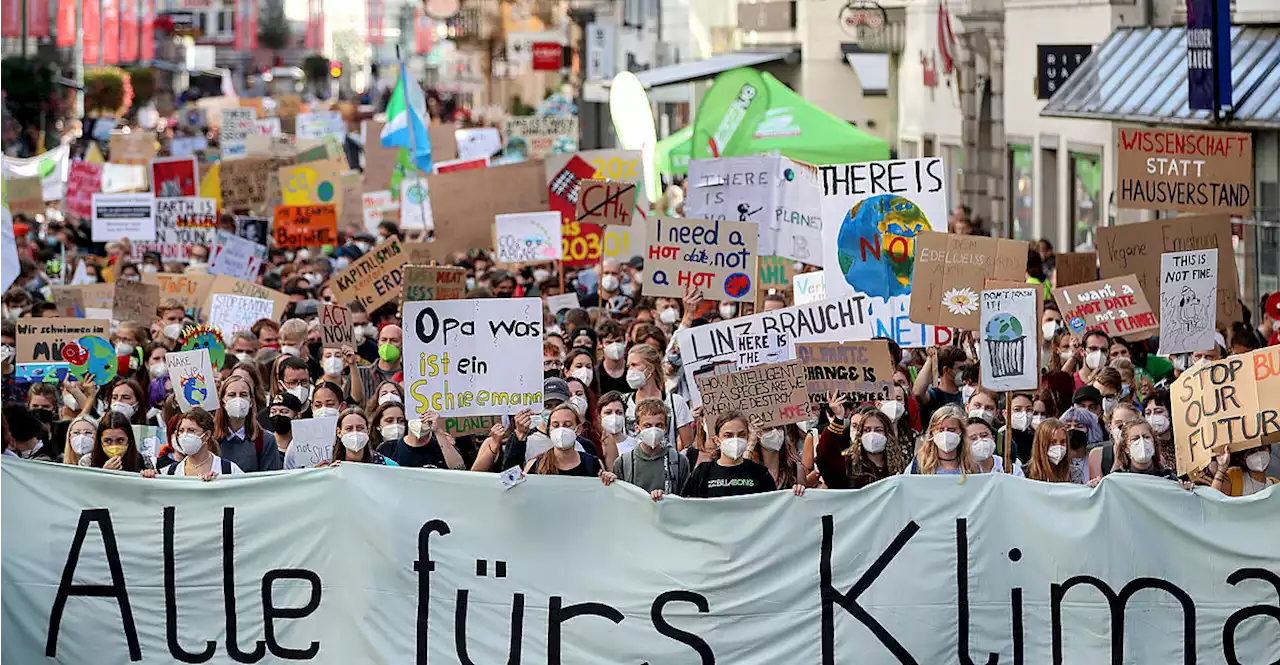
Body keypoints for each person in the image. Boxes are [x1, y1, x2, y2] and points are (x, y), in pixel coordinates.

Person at [680, 411, 796, 498]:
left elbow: (775, 508)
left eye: (741, 435)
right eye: (728, 435)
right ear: (717, 440)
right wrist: (662, 498)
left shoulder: (760, 473)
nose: (735, 439)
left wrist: (797, 493)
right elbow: (685, 506)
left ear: (747, 437)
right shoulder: (702, 472)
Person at [614, 398, 691, 499]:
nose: (653, 430)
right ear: (637, 428)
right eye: (647, 425)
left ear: (665, 428)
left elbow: (686, 501)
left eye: (659, 425)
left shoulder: (679, 461)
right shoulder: (624, 463)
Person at [818, 398, 904, 488]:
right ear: (860, 435)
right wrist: (838, 419)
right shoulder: (848, 466)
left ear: (887, 434)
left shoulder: (898, 465)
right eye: (867, 430)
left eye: (878, 430)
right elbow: (824, 459)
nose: (872, 434)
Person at [623, 344, 694, 447]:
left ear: (650, 369)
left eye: (634, 365)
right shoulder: (624, 402)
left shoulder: (675, 402)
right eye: (628, 366)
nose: (630, 371)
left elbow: (688, 446)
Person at [147, 408, 242, 479]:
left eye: (191, 430)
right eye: (181, 430)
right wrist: (149, 477)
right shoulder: (169, 472)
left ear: (207, 435)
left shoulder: (229, 470)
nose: (185, 435)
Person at [523, 403, 610, 479]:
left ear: (578, 429)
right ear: (549, 430)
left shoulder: (593, 464)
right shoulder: (535, 465)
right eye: (556, 425)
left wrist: (608, 479)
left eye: (567, 425)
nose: (561, 429)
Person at [214, 375, 280, 472]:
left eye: (243, 395)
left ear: (251, 402)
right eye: (231, 395)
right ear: (223, 402)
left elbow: (271, 481)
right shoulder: (210, 439)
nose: (238, 400)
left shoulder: (265, 440)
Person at [904, 404, 977, 476]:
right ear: (932, 432)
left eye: (951, 430)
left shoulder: (971, 465)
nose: (945, 433)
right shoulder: (919, 464)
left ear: (961, 432)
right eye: (940, 430)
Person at [1099, 418, 1177, 482]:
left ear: (1154, 443)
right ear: (1126, 448)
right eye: (1135, 439)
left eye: (1146, 437)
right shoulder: (1118, 480)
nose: (1142, 442)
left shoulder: (1168, 478)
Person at [385, 411, 465, 469]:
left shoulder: (443, 446)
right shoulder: (388, 448)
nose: (422, 419)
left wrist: (438, 432)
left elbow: (459, 469)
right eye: (418, 414)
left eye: (427, 415)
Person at [911, 346, 966, 427]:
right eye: (961, 368)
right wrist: (931, 358)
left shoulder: (965, 395)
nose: (964, 372)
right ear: (946, 370)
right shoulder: (934, 394)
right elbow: (917, 392)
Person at [1087, 401, 1141, 479]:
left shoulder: (1145, 451)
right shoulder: (1097, 454)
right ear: (1110, 428)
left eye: (1130, 424)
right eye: (1119, 424)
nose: (1124, 428)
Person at [332, 408, 397, 465]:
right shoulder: (329, 463)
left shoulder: (387, 464)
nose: (355, 432)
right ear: (339, 432)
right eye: (349, 428)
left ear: (368, 430)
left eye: (360, 428)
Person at [1211, 445, 1279, 496]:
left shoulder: (1275, 484)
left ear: (1269, 450)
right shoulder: (1235, 476)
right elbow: (1213, 499)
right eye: (1251, 452)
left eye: (1261, 449)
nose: (1258, 455)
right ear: (1243, 459)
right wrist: (1221, 469)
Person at [1060, 405, 1103, 484]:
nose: (1072, 429)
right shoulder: (1058, 457)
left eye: (1079, 426)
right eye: (1067, 426)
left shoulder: (1097, 458)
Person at [1026, 417, 1072, 483]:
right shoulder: (1025, 473)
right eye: (1053, 442)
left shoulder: (1074, 473)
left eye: (1062, 442)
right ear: (1041, 444)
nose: (1059, 446)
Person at [597, 391, 633, 469]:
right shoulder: (595, 445)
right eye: (608, 412)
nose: (614, 416)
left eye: (619, 412)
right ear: (599, 417)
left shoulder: (635, 445)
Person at [595, 320, 630, 395]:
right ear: (600, 344)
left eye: (618, 341)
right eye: (609, 342)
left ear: (625, 341)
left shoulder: (633, 369)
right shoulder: (595, 374)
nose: (615, 346)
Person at [266, 392, 303, 461]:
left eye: (284, 412)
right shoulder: (266, 445)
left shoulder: (303, 446)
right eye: (273, 412)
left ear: (297, 415)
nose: (278, 415)